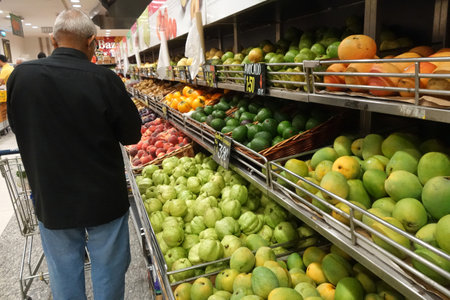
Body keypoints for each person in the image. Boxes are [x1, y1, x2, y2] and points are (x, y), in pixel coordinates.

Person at [7, 8, 141, 300]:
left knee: (64, 273)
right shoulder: (104, 80)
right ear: (91, 42)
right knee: (109, 271)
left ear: (54, 42)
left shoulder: (21, 77)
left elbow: (19, 128)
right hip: (103, 197)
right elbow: (132, 135)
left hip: (52, 196)